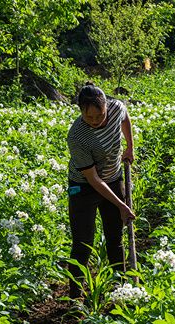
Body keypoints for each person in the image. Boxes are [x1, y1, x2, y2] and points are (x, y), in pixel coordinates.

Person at [66, 82, 136, 298]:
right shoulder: (77, 136)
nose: (96, 121)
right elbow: (94, 179)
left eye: (100, 115)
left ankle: (121, 289)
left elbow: (125, 118)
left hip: (113, 178)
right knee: (83, 243)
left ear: (106, 106)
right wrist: (121, 205)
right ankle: (75, 296)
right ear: (81, 112)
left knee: (115, 238)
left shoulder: (116, 108)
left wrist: (129, 146)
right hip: (84, 187)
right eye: (89, 118)